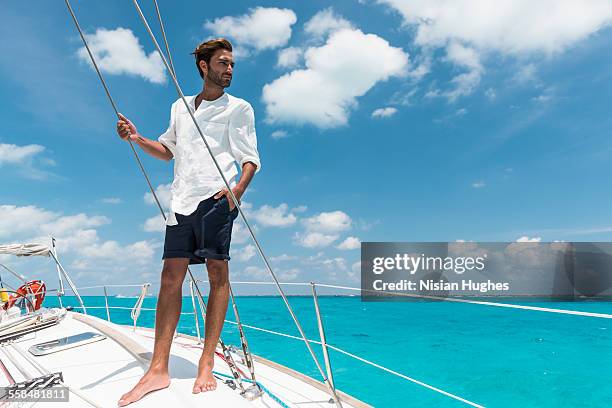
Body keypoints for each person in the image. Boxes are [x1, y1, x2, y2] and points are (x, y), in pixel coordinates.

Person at [115, 38, 260, 406]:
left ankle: (206, 362)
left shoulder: (239, 108)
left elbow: (250, 158)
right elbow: (168, 151)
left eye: (232, 65)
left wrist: (237, 191)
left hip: (216, 199)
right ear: (204, 66)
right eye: (223, 63)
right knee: (169, 277)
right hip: (180, 201)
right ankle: (158, 368)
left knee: (217, 277)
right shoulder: (179, 106)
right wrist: (136, 138)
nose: (229, 70)